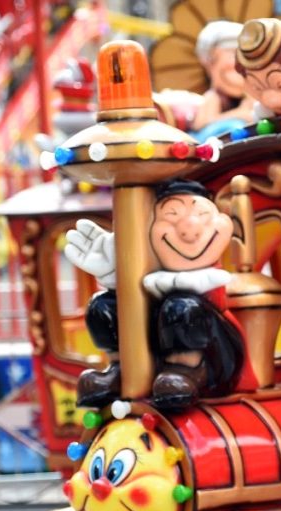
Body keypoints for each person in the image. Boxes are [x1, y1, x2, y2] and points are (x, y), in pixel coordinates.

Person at [64, 179, 249, 410]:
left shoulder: (210, 276)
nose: (189, 230)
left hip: (214, 354)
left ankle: (187, 368)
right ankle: (119, 367)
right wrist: (117, 270)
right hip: (155, 345)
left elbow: (203, 298)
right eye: (171, 215)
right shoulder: (154, 273)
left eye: (202, 214)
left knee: (182, 308)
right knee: (104, 306)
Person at [191, 20, 254, 137]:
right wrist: (240, 113)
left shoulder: (249, 96)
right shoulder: (214, 97)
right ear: (211, 61)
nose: (240, 64)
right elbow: (201, 124)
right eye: (233, 54)